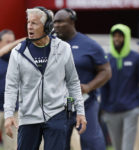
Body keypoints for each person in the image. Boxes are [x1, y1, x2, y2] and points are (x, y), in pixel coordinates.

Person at [4, 6, 87, 150]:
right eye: (28, 22)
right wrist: (9, 114)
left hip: (57, 115)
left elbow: (73, 82)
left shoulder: (63, 49)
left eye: (34, 23)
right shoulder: (18, 52)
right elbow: (11, 86)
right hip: (28, 116)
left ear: (47, 26)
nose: (29, 26)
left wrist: (79, 111)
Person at [53, 8, 112, 150]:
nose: (57, 25)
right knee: (57, 143)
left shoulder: (89, 45)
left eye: (61, 22)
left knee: (91, 142)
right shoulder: (49, 44)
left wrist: (89, 86)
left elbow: (106, 71)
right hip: (60, 104)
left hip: (85, 102)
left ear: (72, 21)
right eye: (55, 22)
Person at [101, 24, 139, 150]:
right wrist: (104, 107)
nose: (117, 39)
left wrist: (138, 104)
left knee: (127, 147)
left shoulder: (136, 58)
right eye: (115, 36)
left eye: (120, 36)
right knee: (117, 147)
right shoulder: (107, 59)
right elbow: (103, 85)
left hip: (131, 110)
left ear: (127, 37)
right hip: (111, 111)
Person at [0, 29, 24, 150]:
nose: (12, 45)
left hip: (14, 111)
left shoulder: (18, 60)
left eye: (13, 42)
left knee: (13, 146)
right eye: (8, 42)